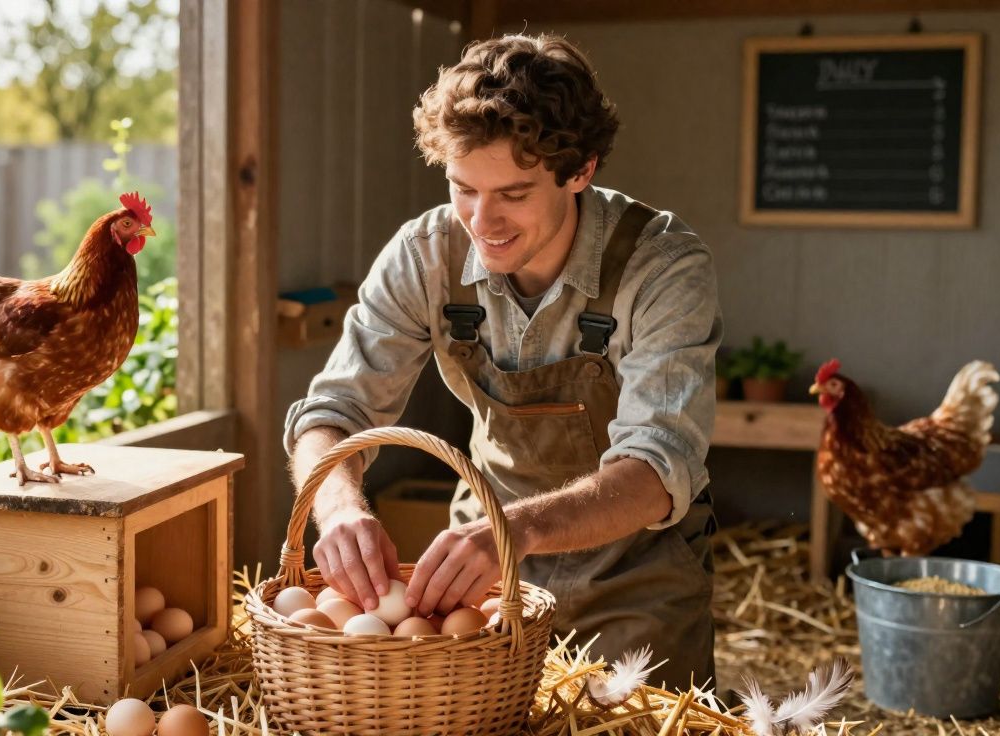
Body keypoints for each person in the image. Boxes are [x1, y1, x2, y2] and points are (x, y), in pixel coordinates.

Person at [283, 33, 722, 687]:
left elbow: (658, 468)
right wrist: (341, 507)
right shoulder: (425, 253)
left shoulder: (662, 266)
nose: (481, 221)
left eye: (513, 195)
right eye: (463, 188)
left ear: (581, 171)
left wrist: (518, 529)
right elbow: (332, 412)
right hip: (481, 579)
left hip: (636, 583)